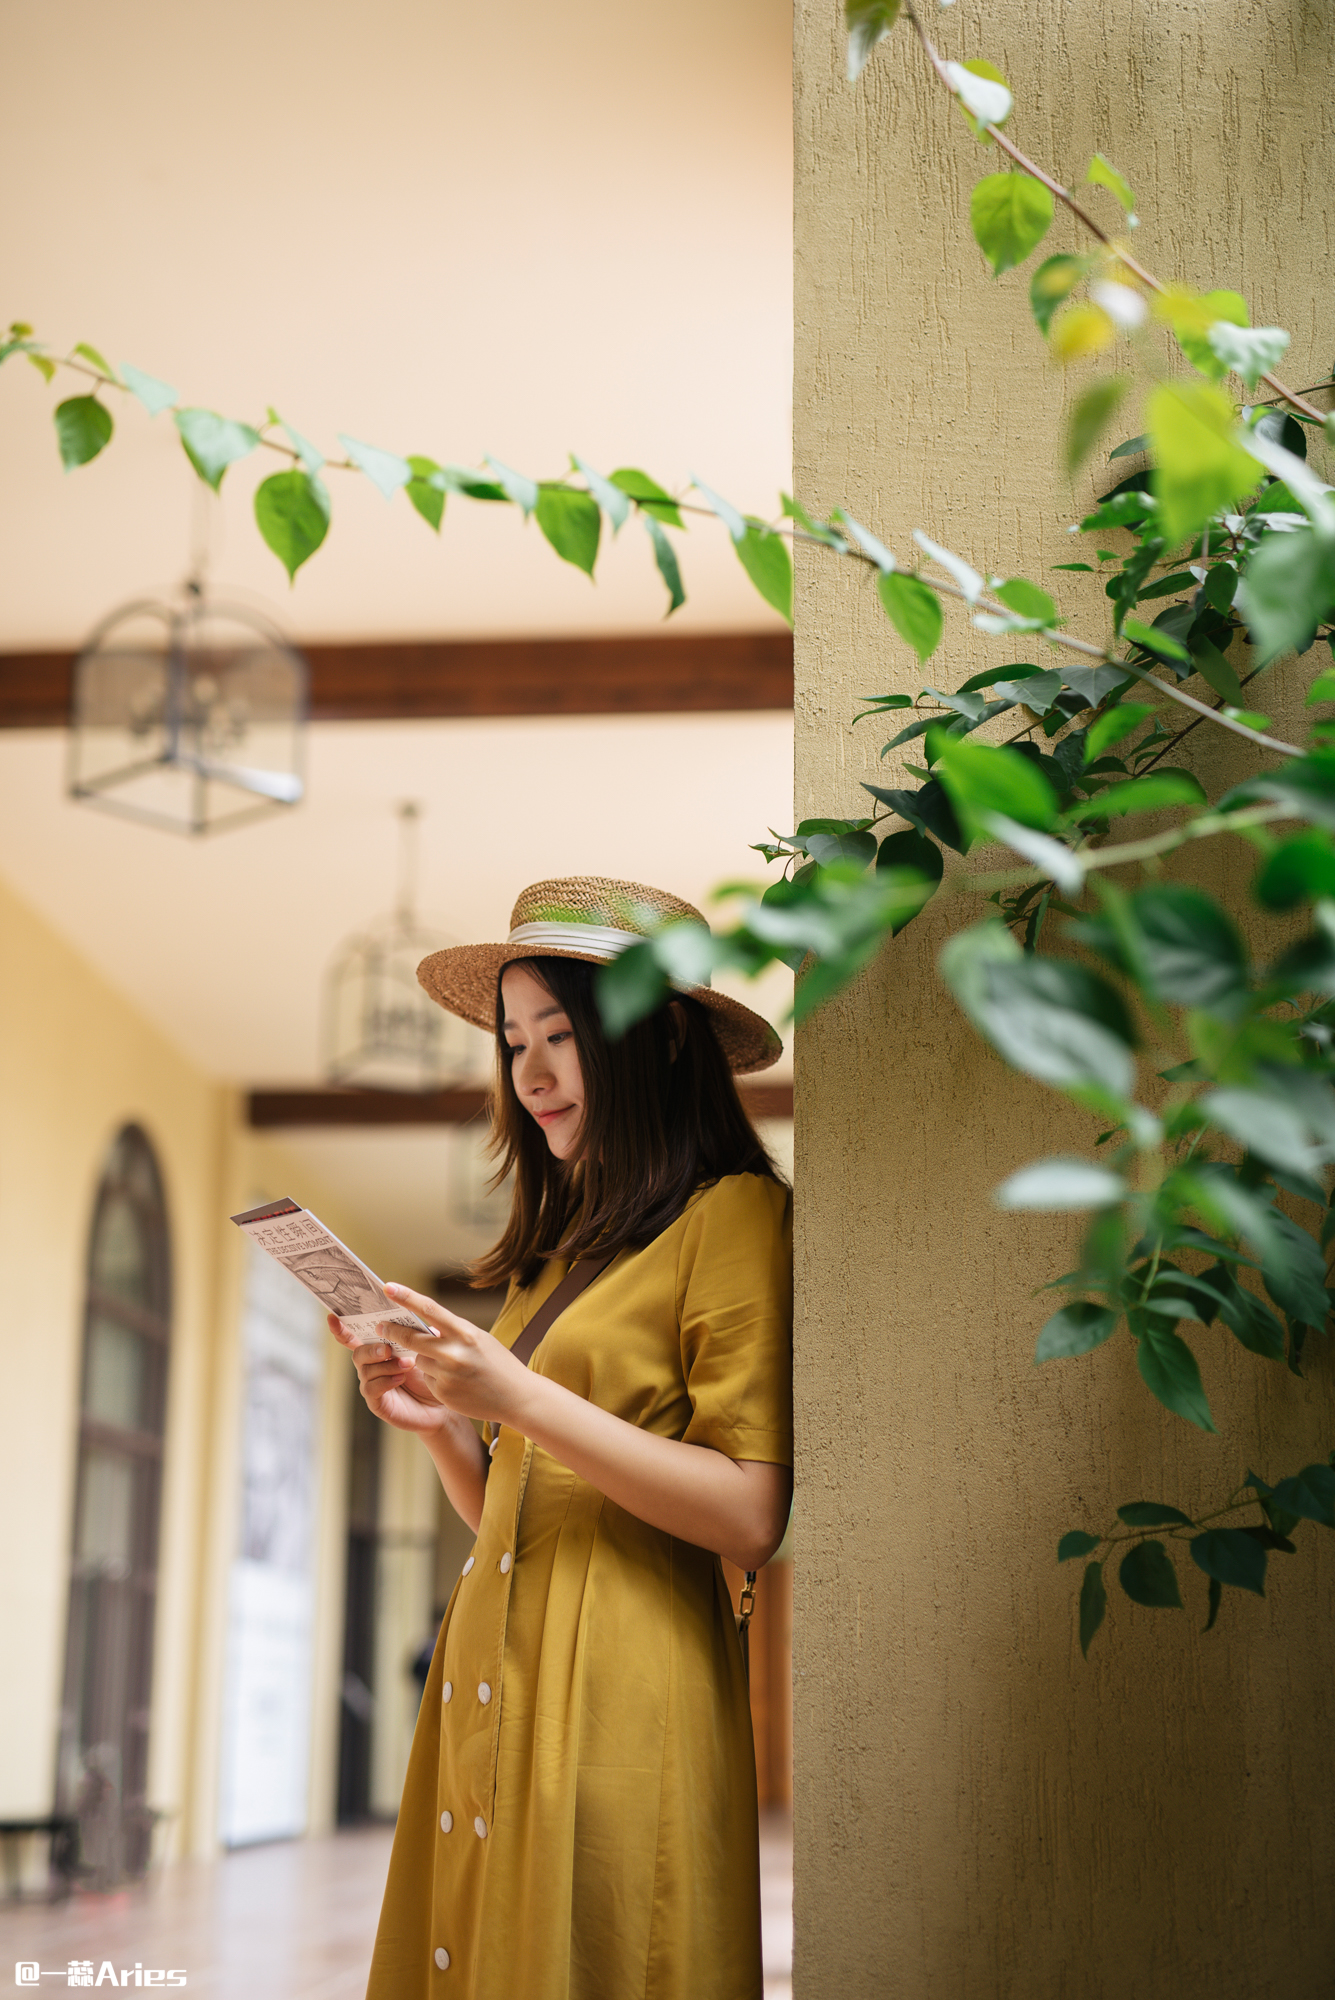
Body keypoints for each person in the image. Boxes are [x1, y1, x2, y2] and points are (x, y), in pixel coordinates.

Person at [329, 876, 793, 2000]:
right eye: (512, 1041)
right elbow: (520, 1509)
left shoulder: (733, 1214)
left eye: (562, 1035)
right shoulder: (559, 1254)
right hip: (493, 1667)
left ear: (663, 1038)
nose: (530, 1073)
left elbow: (749, 1513)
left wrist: (522, 1399)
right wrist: (445, 1428)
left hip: (621, 1684)